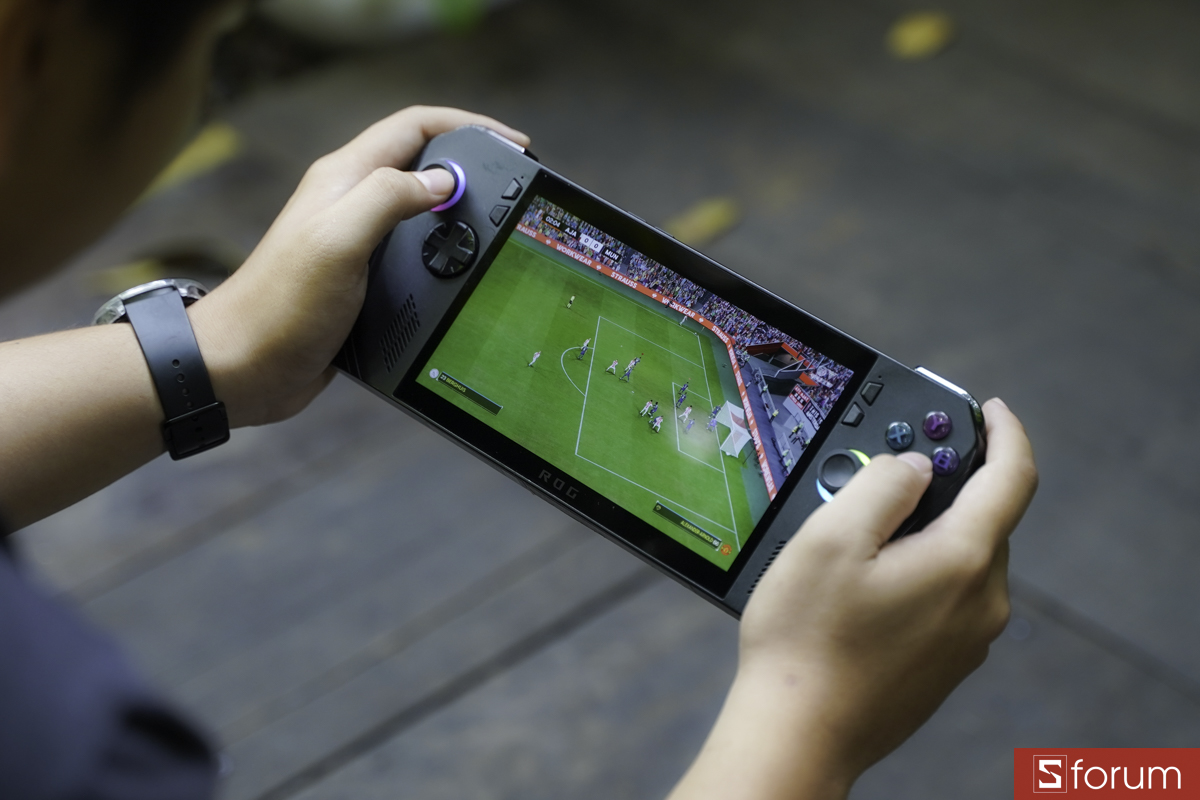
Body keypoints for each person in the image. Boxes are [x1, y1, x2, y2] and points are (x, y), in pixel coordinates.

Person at [0, 2, 1038, 797]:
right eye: (215, 42)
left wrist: (221, 351)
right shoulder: (74, 746)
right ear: (27, 51)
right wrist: (807, 719)